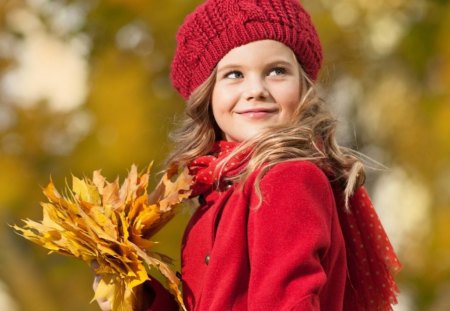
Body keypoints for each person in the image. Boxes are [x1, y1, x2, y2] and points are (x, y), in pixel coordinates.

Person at [95, 0, 401, 310]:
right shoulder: (215, 192)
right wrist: (140, 298)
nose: (256, 89)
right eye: (234, 75)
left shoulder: (288, 180)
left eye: (277, 71)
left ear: (303, 86)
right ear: (207, 94)